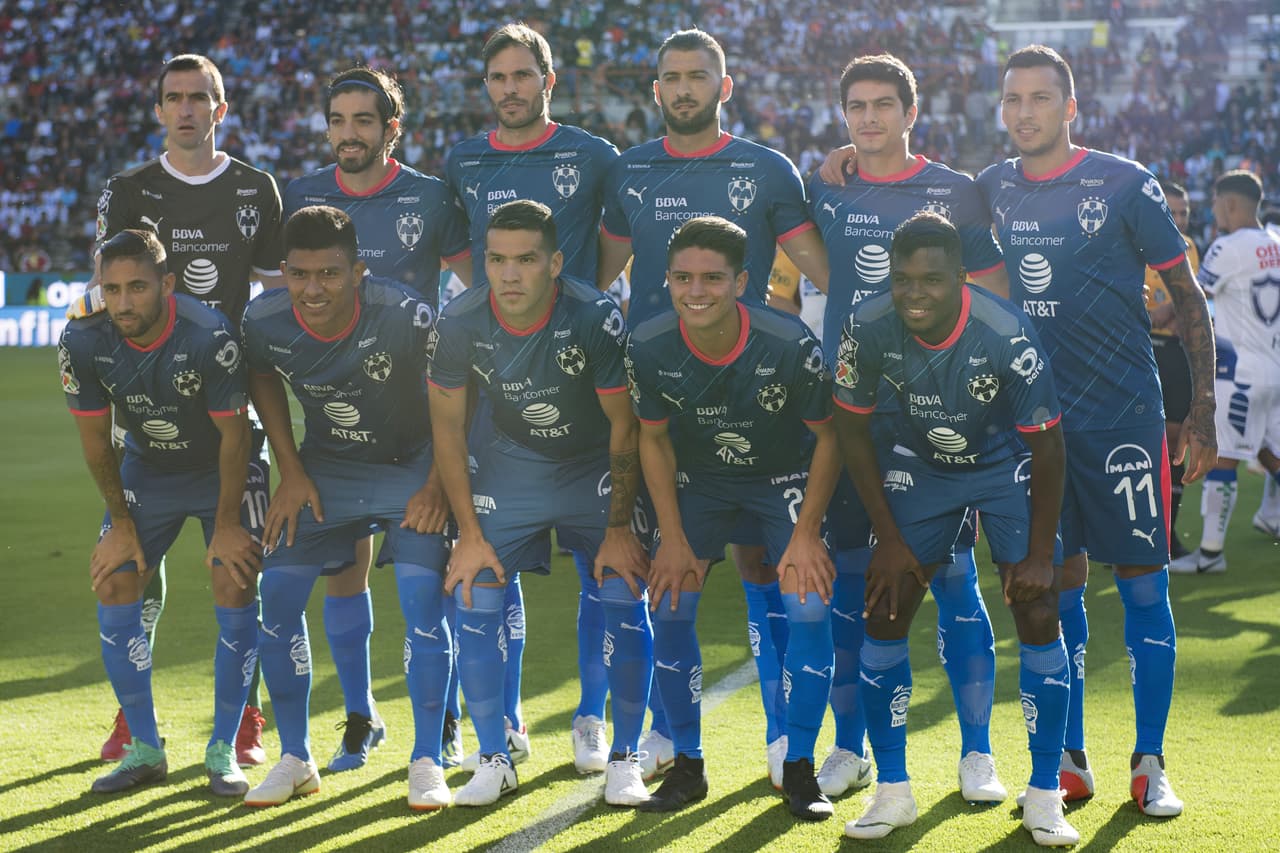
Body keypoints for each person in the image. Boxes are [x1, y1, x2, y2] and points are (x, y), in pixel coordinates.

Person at [975, 45, 1216, 815]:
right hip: (1033, 430)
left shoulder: (1122, 183)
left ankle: (1151, 760)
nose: (1024, 112)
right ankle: (1071, 758)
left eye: (1040, 98)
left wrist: (1204, 406)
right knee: (1054, 586)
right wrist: (853, 157)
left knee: (1143, 585)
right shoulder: (991, 188)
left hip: (1122, 421)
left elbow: (1188, 294)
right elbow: (920, 191)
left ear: (1069, 108)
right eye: (1012, 99)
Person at [598, 28, 831, 787]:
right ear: (656, 90)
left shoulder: (766, 168)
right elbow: (593, 280)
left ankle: (780, 739)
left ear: (723, 86)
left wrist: (844, 177)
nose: (685, 88)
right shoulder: (627, 171)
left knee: (766, 567)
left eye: (699, 75)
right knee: (661, 577)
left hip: (756, 399)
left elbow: (824, 268)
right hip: (658, 401)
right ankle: (668, 736)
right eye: (672, 77)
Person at [833, 212, 1075, 845]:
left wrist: (1040, 555)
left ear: (962, 278)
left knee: (1038, 610)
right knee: (884, 610)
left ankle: (1045, 792)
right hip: (923, 466)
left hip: (1007, 465)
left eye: (932, 280)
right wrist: (886, 535)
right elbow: (851, 430)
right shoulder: (866, 325)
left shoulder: (1005, 332)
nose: (915, 293)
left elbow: (1048, 450)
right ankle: (892, 792)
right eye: (903, 279)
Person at [809, 54, 1010, 802]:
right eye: (856, 105)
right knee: (854, 581)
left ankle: (977, 754)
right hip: (853, 419)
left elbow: (991, 294)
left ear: (910, 111)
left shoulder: (953, 191)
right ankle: (849, 747)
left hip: (938, 422)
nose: (868, 118)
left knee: (956, 579)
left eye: (883, 104)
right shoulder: (827, 187)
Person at [86, 52, 282, 768]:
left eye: (202, 97)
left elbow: (274, 291)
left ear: (221, 109)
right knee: (128, 564)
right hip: (149, 415)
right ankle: (131, 719)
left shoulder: (256, 188)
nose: (189, 108)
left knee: (239, 568)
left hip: (228, 412)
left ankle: (246, 717)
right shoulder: (129, 189)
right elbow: (106, 291)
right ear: (161, 110)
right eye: (175, 97)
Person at [426, 200, 652, 806]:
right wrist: (468, 533)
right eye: (497, 260)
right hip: (511, 462)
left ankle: (623, 753)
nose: (509, 274)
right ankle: (496, 755)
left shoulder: (593, 313)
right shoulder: (460, 317)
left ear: (554, 263)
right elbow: (446, 428)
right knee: (475, 586)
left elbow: (623, 426)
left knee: (623, 586)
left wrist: (619, 526)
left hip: (590, 466)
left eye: (525, 260)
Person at [443, 23, 623, 774]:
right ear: (486, 86)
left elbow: (613, 249)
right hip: (498, 382)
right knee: (496, 562)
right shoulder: (463, 160)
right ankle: (507, 723)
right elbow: (461, 257)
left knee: (603, 565)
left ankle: (591, 716)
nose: (510, 88)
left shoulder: (593, 155)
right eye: (498, 77)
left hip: (580, 368)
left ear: (550, 80)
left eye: (524, 75)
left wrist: (576, 299)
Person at [281, 65, 471, 773]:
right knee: (341, 569)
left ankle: (443, 716)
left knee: (427, 575)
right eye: (338, 120)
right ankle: (361, 717)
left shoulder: (427, 195)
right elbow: (287, 293)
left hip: (418, 426)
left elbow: (474, 284)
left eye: (364, 121)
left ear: (393, 128)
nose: (348, 134)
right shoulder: (301, 195)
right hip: (332, 427)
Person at [239, 206, 453, 810]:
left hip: (411, 468)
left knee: (419, 597)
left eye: (330, 274)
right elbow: (259, 377)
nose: (313, 289)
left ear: (357, 271)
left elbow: (455, 392)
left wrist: (437, 482)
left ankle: (428, 758)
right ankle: (296, 757)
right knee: (277, 597)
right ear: (283, 272)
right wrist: (291, 469)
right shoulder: (264, 317)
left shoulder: (404, 314)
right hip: (325, 471)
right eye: (300, 274)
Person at [627, 216, 838, 821]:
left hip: (783, 482)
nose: (697, 290)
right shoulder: (648, 343)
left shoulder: (788, 339)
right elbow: (654, 441)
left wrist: (805, 533)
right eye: (684, 278)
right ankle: (688, 766)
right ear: (666, 280)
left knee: (810, 605)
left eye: (713, 278)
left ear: (742, 281)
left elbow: (829, 438)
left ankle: (799, 768)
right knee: (667, 602)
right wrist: (670, 537)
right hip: (702, 485)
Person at [58, 229, 262, 797]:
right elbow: (97, 443)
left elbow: (236, 438)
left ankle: (225, 748)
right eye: (113, 288)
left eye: (139, 288)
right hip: (149, 468)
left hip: (225, 467)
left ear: (167, 285)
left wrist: (225, 527)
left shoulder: (209, 335)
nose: (124, 302)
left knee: (235, 580)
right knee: (114, 582)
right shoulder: (81, 336)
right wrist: (121, 527)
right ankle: (145, 750)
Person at [1170, 171, 1280, 572]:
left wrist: (1150, 316)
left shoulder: (1226, 247)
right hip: (1275, 370)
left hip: (1239, 373)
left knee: (1224, 459)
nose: (1212, 210)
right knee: (1270, 453)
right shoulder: (1276, 241)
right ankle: (1272, 516)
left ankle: (1211, 555)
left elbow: (1192, 300)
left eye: (1215, 202)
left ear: (1230, 204)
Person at [1144, 180, 1201, 561]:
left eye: (1183, 213)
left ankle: (1166, 534)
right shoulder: (1137, 246)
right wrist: (1157, 316)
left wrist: (1182, 316)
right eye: (1172, 211)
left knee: (1177, 440)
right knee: (1146, 442)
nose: (1178, 219)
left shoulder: (1189, 249)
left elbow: (1191, 303)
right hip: (1145, 349)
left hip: (1177, 352)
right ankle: (1135, 532)